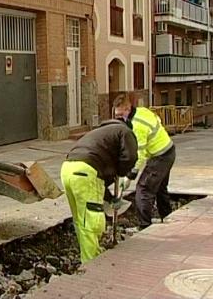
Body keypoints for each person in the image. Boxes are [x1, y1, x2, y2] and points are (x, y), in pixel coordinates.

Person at [61, 119, 138, 263]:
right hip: (85, 172)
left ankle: (89, 253)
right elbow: (130, 157)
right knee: (92, 220)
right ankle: (91, 263)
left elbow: (97, 183)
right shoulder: (126, 131)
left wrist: (109, 198)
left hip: (67, 170)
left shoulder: (98, 134)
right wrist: (122, 173)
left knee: (80, 218)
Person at [113, 94, 176, 230]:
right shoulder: (143, 111)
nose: (119, 118)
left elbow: (139, 155)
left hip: (160, 156)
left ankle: (144, 225)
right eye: (116, 115)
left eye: (120, 114)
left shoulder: (137, 126)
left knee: (143, 189)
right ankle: (166, 216)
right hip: (169, 150)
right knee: (159, 187)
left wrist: (130, 175)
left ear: (128, 109)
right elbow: (157, 119)